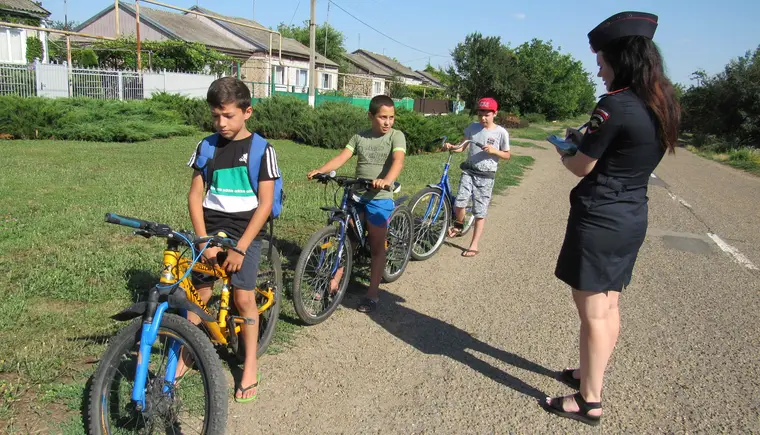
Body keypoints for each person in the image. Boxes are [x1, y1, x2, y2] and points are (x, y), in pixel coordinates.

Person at [541, 11, 681, 425]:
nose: (599, 70)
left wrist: (567, 149)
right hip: (631, 215)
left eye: (601, 61)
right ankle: (589, 373)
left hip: (600, 217)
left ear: (623, 58)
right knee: (610, 304)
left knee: (593, 313)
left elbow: (583, 166)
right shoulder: (663, 103)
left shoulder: (615, 104)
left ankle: (589, 400)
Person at [181, 76, 281, 403]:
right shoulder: (206, 147)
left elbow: (265, 204)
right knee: (199, 294)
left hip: (245, 231)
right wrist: (201, 240)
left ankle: (250, 360)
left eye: (228, 116)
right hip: (210, 228)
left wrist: (239, 248)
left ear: (247, 112)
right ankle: (187, 349)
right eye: (215, 116)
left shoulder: (262, 150)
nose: (221, 123)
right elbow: (195, 196)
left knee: (243, 299)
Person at [307, 94, 406, 313]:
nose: (387, 122)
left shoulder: (396, 137)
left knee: (377, 249)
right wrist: (322, 170)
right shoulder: (359, 137)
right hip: (357, 194)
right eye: (382, 117)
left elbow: (398, 160)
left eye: (391, 117)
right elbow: (342, 157)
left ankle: (372, 294)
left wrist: (386, 180)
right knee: (347, 239)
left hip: (379, 198)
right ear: (370, 116)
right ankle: (334, 282)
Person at [445, 97, 511, 257]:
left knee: (479, 211)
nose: (483, 118)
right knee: (459, 203)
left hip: (486, 176)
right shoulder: (472, 128)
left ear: (494, 114)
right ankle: (459, 225)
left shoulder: (501, 132)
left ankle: (474, 245)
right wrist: (452, 147)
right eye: (480, 114)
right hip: (469, 171)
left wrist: (494, 151)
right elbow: (462, 147)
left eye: (487, 114)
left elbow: (507, 155)